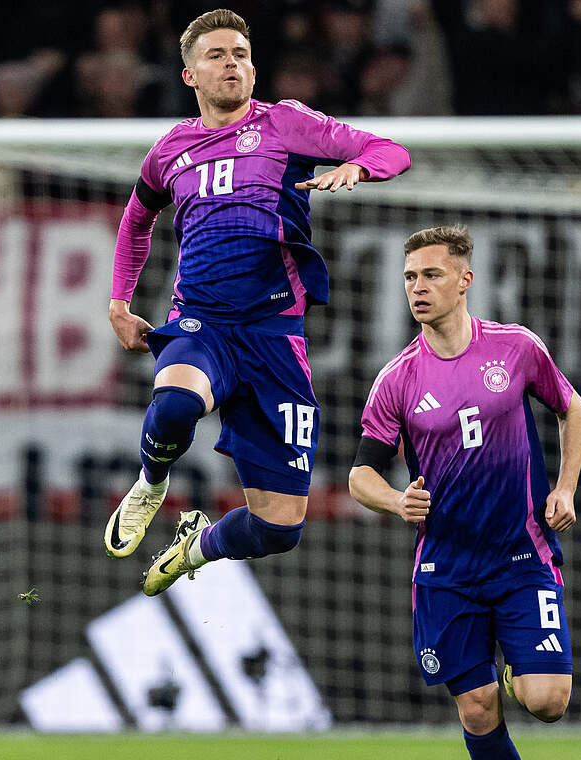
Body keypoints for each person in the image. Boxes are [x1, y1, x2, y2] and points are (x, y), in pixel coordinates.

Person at [104, 8, 411, 596]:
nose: (232, 64)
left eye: (241, 54)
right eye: (217, 55)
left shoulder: (286, 125)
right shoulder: (170, 150)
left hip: (273, 334)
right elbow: (137, 218)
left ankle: (193, 548)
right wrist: (120, 301)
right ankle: (150, 482)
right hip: (203, 323)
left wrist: (357, 167)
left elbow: (392, 150)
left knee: (279, 527)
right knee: (173, 407)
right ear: (189, 74)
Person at [349, 225, 581, 759]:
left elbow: (572, 409)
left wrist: (566, 486)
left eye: (432, 275)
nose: (418, 287)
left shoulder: (517, 348)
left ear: (465, 280)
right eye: (410, 276)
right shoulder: (398, 379)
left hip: (521, 555)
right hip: (446, 568)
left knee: (548, 701)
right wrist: (394, 500)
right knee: (476, 706)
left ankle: (515, 671)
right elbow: (359, 474)